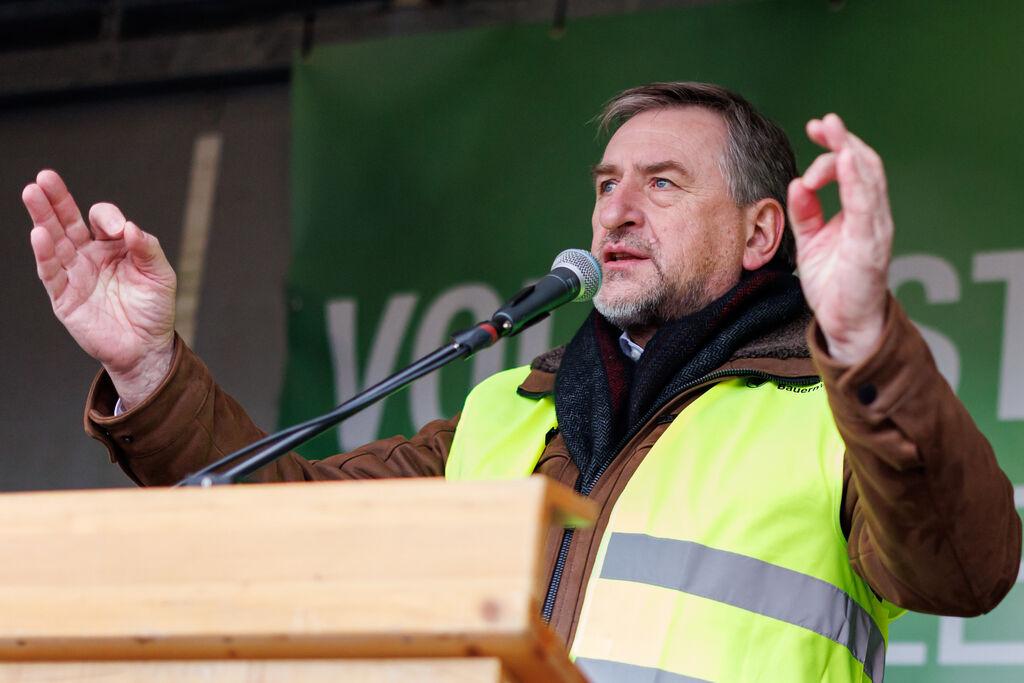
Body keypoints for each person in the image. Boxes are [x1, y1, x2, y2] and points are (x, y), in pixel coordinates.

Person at [23, 82, 1020, 682]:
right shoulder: (505, 412)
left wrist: (861, 338)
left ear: (762, 232)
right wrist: (147, 366)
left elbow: (963, 568)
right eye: (604, 185)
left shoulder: (833, 415)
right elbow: (277, 531)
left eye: (661, 183)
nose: (615, 212)